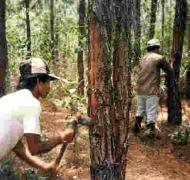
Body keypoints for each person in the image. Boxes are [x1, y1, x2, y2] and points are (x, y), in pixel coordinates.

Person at [0, 58, 78, 174]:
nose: (49, 87)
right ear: (38, 81)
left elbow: (18, 147)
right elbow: (35, 148)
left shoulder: (10, 99)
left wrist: (44, 166)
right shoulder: (31, 103)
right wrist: (61, 137)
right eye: (48, 82)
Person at [134, 39, 172, 137]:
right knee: (151, 112)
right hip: (151, 90)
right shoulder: (159, 58)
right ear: (157, 48)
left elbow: (147, 73)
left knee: (140, 110)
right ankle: (150, 135)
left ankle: (136, 130)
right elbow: (170, 71)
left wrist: (160, 75)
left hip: (140, 89)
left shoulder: (143, 58)